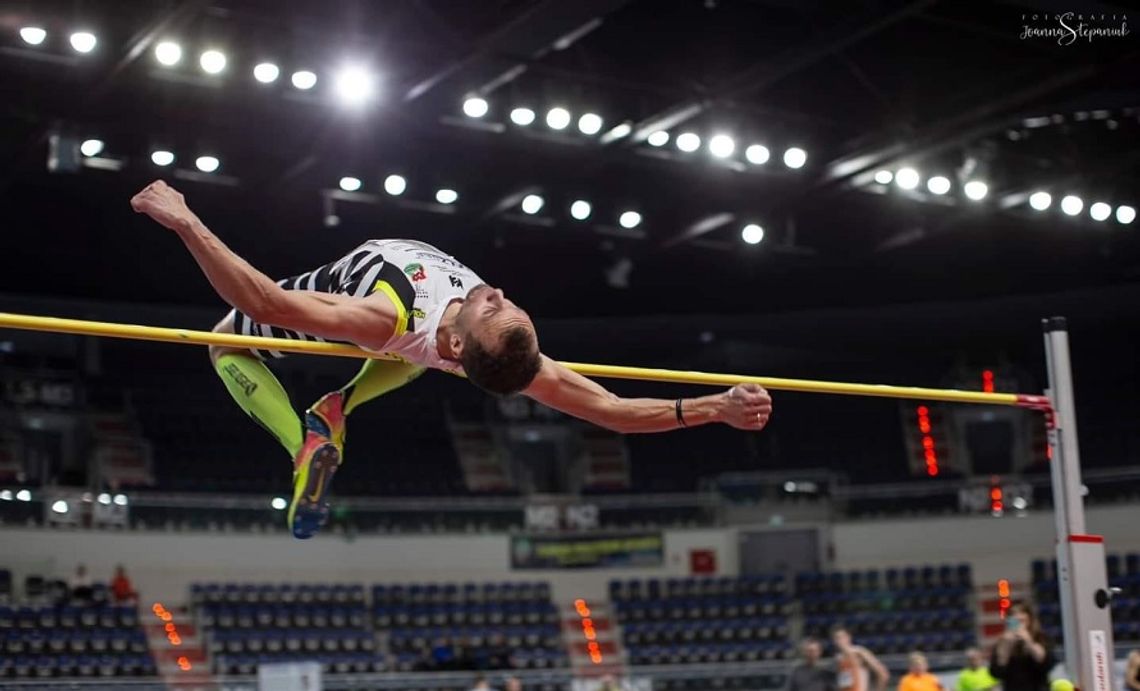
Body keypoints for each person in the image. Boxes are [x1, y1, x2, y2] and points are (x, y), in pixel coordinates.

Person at [131, 180, 773, 538]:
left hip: (345, 294)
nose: (493, 292)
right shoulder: (503, 355)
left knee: (223, 342)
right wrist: (715, 406)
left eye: (493, 308)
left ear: (465, 342)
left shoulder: (386, 314)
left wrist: (186, 222)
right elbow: (612, 412)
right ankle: (339, 405)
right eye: (509, 302)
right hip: (417, 351)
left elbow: (266, 302)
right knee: (413, 360)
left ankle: (301, 440)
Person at [990, 601, 1055, 691]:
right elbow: (996, 672)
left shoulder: (1041, 638)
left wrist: (1028, 641)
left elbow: (1046, 664)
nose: (1017, 617)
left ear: (1030, 618)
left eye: (1021, 614)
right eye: (1013, 614)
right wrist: (1006, 646)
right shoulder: (1002, 642)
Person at [832, 625, 889, 691]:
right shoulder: (839, 659)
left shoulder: (859, 653)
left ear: (848, 637)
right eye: (836, 638)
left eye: (841, 637)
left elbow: (882, 673)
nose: (839, 641)